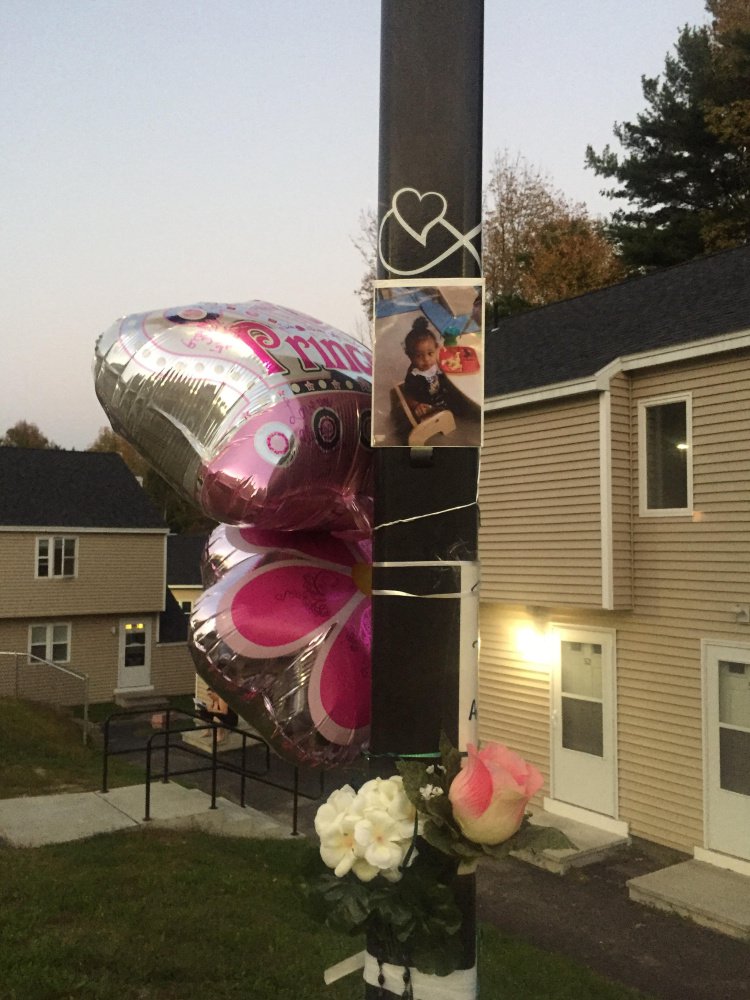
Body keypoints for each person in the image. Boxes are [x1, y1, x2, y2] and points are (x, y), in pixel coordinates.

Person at [402, 316, 452, 420]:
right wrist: (416, 405)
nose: (426, 359)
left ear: (436, 349)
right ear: (410, 356)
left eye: (430, 353)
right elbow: (408, 395)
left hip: (441, 394)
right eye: (419, 356)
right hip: (428, 406)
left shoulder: (436, 361)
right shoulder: (413, 376)